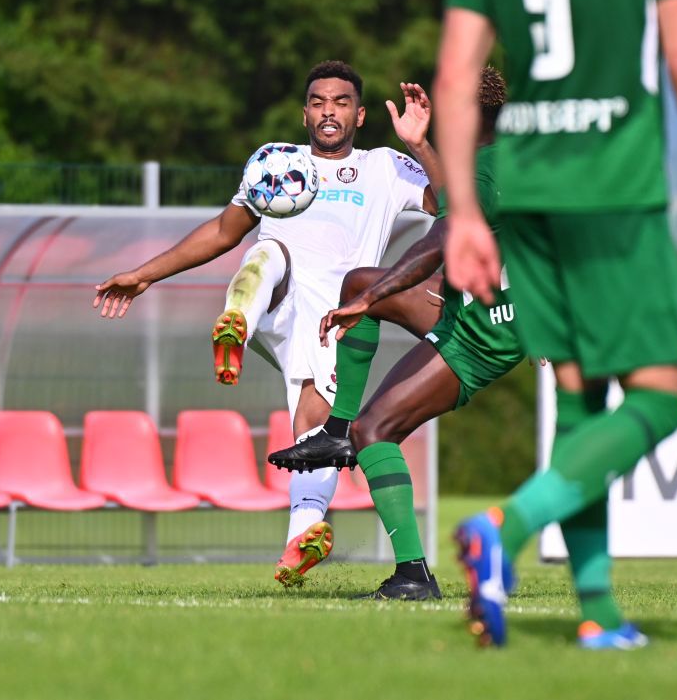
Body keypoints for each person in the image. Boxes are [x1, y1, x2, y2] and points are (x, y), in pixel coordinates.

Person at [434, 0, 677, 648]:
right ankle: (502, 529)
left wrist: (468, 213)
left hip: (529, 195)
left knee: (578, 408)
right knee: (658, 401)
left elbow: (454, 75)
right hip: (614, 191)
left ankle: (598, 611)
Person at [94, 60, 441, 586]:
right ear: (304, 114)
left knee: (317, 424)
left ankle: (303, 535)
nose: (330, 111)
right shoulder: (275, 164)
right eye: (319, 102)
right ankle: (235, 319)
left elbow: (452, 206)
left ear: (361, 114)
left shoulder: (386, 168)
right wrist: (145, 275)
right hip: (275, 301)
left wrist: (420, 145)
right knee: (270, 249)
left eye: (341, 102)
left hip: (334, 321)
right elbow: (222, 231)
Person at [268, 68, 525, 601]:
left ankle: (413, 574)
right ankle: (337, 429)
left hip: (483, 335)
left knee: (377, 431)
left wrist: (370, 299)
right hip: (483, 312)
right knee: (360, 280)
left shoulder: (482, 175)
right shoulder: (506, 163)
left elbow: (435, 241)